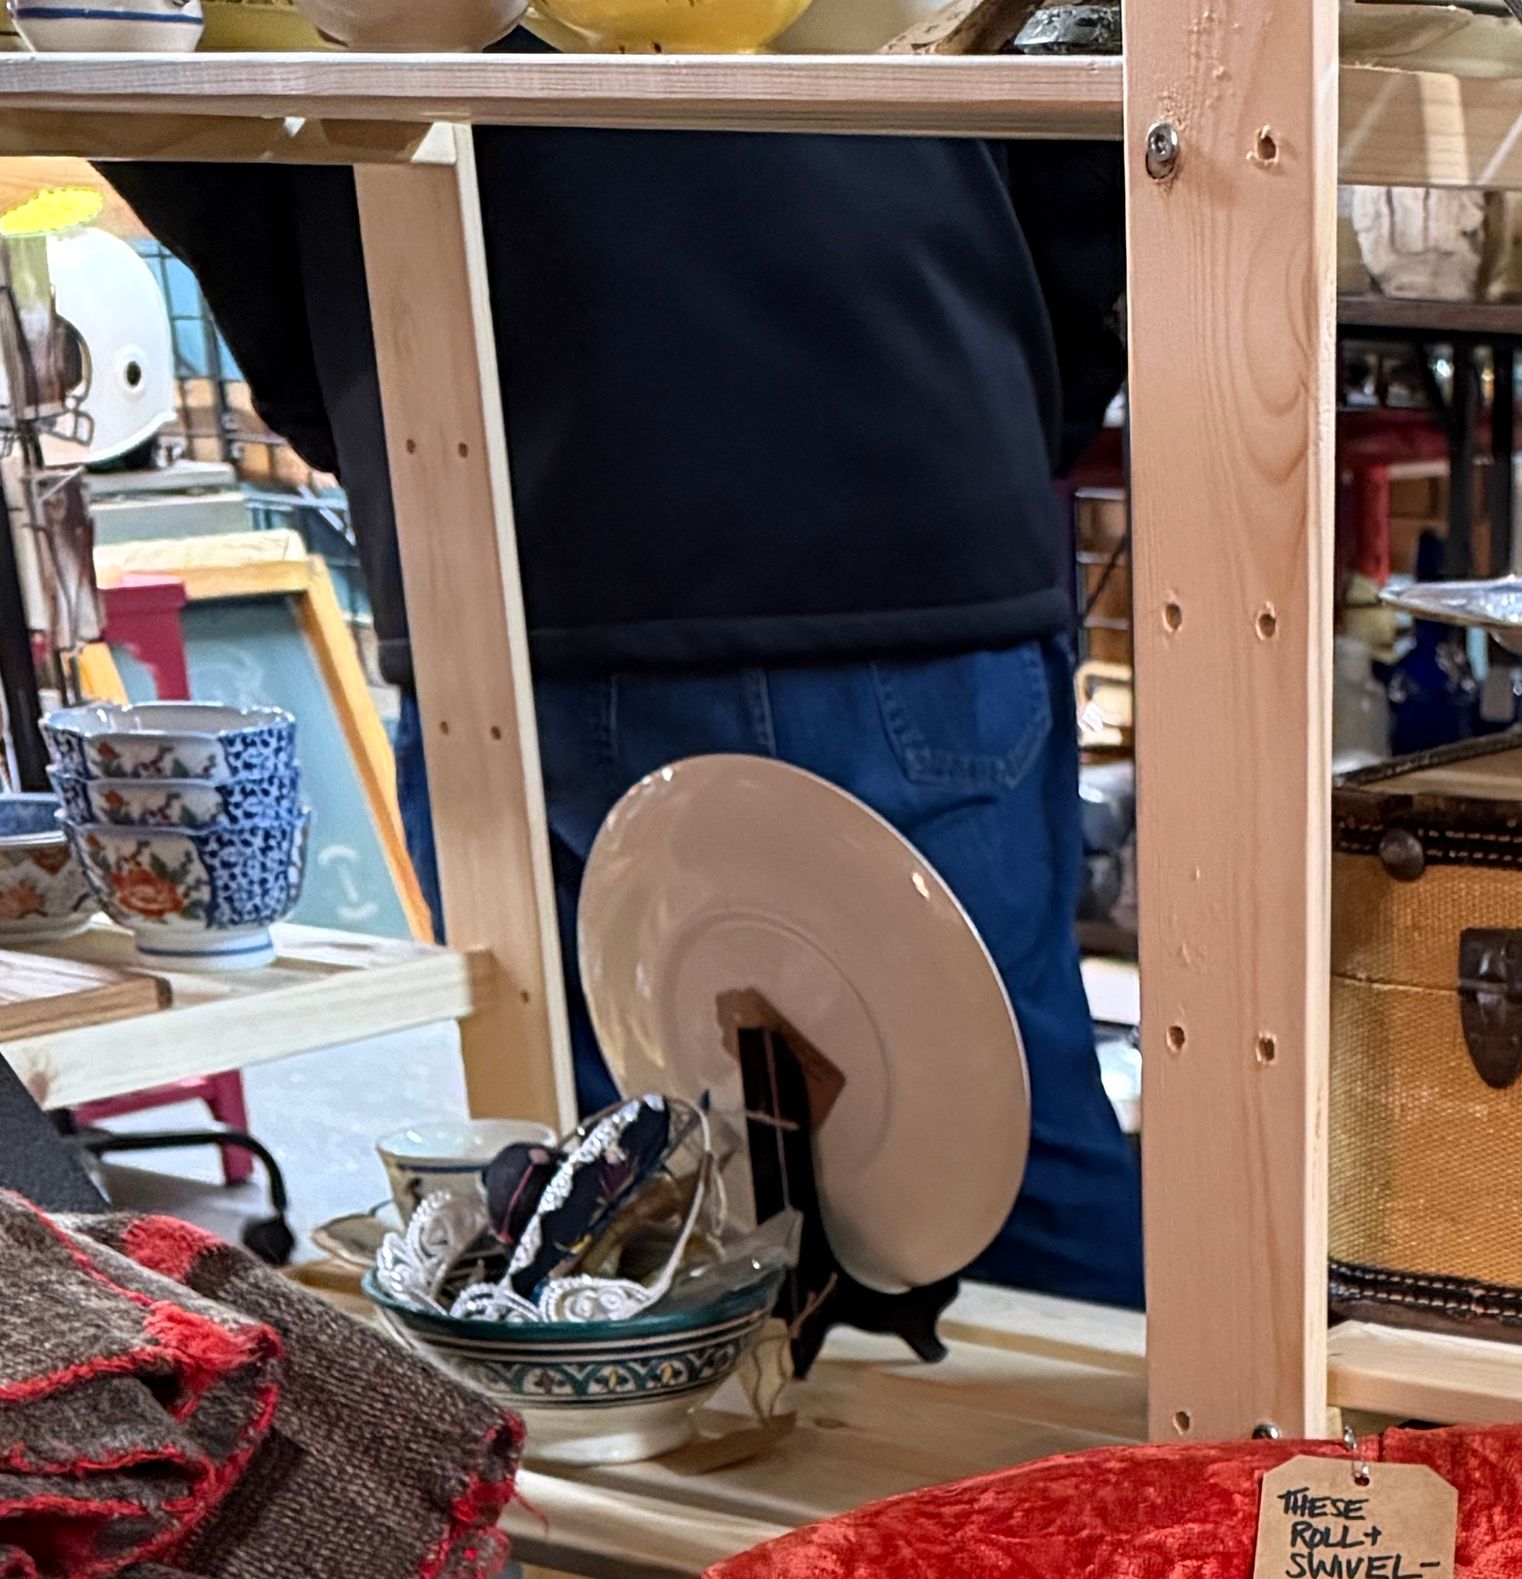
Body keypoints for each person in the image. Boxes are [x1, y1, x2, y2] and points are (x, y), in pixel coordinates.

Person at [118, 122, 1140, 1307]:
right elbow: (1082, 94)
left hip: (492, 468)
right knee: (991, 1178)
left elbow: (193, 126)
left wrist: (360, 387)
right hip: (890, 424)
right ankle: (1167, 1493)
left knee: (618, 1229)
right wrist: (1006, 381)